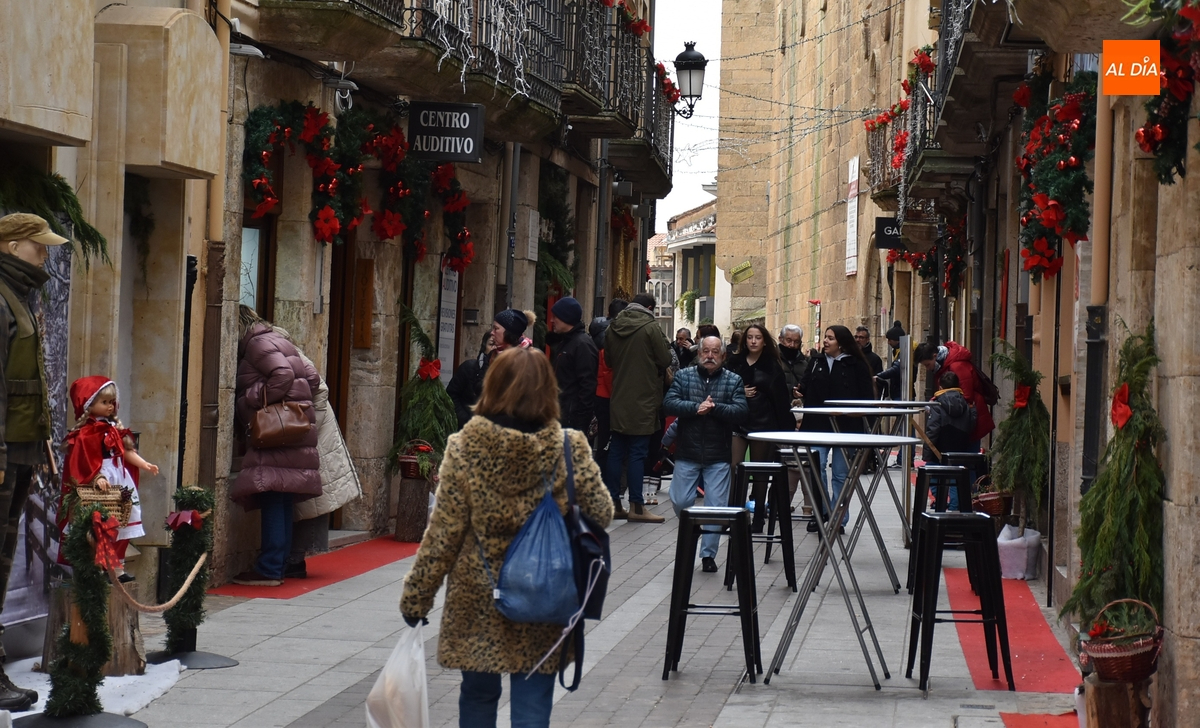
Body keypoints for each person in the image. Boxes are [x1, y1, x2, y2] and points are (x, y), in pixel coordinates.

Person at [399, 348, 612, 728]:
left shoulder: (465, 446)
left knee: (478, 696)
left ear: (492, 385)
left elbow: (443, 533)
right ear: (549, 390)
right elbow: (601, 512)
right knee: (533, 703)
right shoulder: (569, 446)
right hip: (544, 594)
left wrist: (417, 597)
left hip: (478, 597)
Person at [0, 213, 67, 709]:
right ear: (10, 244)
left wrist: (42, 444)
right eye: (36, 245)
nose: (45, 252)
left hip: (23, 451)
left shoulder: (21, 294)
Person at [231, 306, 323, 586]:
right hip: (294, 426)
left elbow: (282, 374)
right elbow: (314, 378)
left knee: (272, 492)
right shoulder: (279, 340)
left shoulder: (257, 344)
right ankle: (278, 563)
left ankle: (269, 567)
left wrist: (255, 398)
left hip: (274, 429)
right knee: (281, 494)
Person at [60, 377, 160, 579]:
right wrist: (96, 478)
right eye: (104, 402)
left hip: (119, 479)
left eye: (111, 402)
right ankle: (99, 567)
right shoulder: (85, 434)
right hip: (102, 479)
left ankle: (118, 567)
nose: (110, 406)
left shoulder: (113, 429)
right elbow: (83, 462)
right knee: (101, 524)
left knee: (122, 521)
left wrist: (144, 464)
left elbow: (125, 452)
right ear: (88, 405)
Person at [663, 336, 748, 573]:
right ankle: (691, 527)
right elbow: (669, 403)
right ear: (698, 354)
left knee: (716, 507)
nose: (709, 356)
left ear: (723, 356)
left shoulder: (733, 380)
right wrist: (695, 408)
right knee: (680, 500)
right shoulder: (683, 376)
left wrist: (715, 408)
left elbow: (741, 411)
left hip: (718, 453)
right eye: (705, 352)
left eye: (714, 352)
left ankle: (708, 554)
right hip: (687, 451)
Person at [288, 344, 363, 579]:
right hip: (309, 431)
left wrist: (309, 425)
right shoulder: (283, 349)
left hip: (311, 432)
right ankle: (294, 558)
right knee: (310, 496)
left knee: (311, 497)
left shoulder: (282, 352)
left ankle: (295, 558)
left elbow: (318, 387)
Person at [796, 325, 876, 532]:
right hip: (817, 426)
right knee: (817, 469)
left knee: (840, 475)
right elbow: (804, 385)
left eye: (830, 338)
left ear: (841, 342)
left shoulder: (856, 364)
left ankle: (838, 518)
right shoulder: (816, 362)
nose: (825, 341)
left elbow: (867, 397)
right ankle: (821, 512)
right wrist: (799, 391)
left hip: (846, 426)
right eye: (825, 337)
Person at [604, 293, 671, 523]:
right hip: (643, 399)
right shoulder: (651, 327)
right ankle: (637, 507)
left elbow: (609, 361)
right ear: (650, 308)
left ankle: (613, 503)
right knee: (637, 453)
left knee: (616, 452)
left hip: (619, 397)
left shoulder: (613, 327)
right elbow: (665, 359)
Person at [725, 324, 795, 463]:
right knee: (733, 466)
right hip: (737, 421)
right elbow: (722, 387)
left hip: (763, 423)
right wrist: (739, 391)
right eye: (750, 337)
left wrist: (787, 427)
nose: (753, 341)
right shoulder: (734, 362)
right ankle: (735, 486)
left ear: (764, 342)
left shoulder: (772, 366)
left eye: (758, 338)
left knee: (760, 470)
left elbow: (780, 399)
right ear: (745, 340)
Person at [914, 340, 995, 444]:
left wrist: (936, 401)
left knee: (967, 454)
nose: (928, 368)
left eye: (927, 364)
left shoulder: (956, 366)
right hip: (965, 417)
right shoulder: (945, 365)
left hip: (969, 417)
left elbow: (966, 396)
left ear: (935, 356)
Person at [923, 371, 976, 511]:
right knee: (955, 475)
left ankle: (939, 499)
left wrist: (927, 451)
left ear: (940, 387)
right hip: (960, 443)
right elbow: (971, 423)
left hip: (940, 444)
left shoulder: (937, 404)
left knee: (933, 472)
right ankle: (954, 506)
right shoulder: (965, 402)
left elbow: (932, 428)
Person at [546, 297, 598, 433]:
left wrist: (580, 422)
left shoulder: (582, 345)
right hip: (561, 414)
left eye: (555, 317)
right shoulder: (566, 342)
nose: (552, 321)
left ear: (566, 318)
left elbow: (587, 386)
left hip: (571, 419)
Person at [589, 299, 627, 454]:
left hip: (595, 392)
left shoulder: (593, 336)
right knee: (609, 441)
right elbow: (609, 372)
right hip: (609, 395)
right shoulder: (616, 337)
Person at [446, 331, 495, 430]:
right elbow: (451, 394)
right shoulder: (468, 368)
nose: (494, 348)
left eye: (498, 345)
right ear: (484, 346)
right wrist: (465, 419)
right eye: (491, 344)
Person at [875, 321, 907, 401]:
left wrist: (879, 375)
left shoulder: (903, 351)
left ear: (897, 340)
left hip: (902, 392)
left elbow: (896, 369)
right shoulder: (898, 351)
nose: (888, 342)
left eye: (890, 340)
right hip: (898, 392)